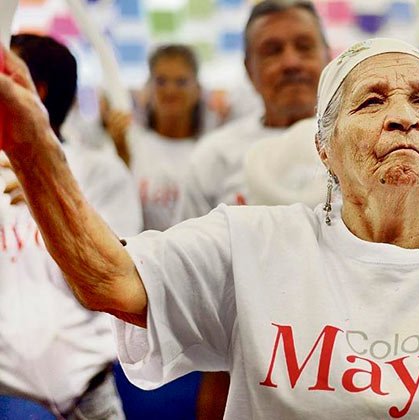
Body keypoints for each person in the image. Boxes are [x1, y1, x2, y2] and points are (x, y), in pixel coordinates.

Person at [0, 34, 419, 418]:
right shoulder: (252, 241)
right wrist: (32, 146)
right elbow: (106, 277)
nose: (404, 117)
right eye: (372, 101)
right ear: (322, 148)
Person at [0, 33, 141, 419]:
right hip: (7, 395)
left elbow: (117, 290)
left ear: (32, 90)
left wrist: (49, 205)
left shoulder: (101, 172)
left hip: (90, 392)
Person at [176, 0, 330, 221]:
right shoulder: (213, 158)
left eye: (304, 47)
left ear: (328, 56)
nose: (291, 62)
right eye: (272, 51)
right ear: (249, 69)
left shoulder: (362, 146)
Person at [103, 44, 203, 231]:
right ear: (147, 89)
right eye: (161, 81)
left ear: (197, 89)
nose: (171, 91)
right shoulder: (129, 142)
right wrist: (120, 154)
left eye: (181, 82)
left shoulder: (209, 151)